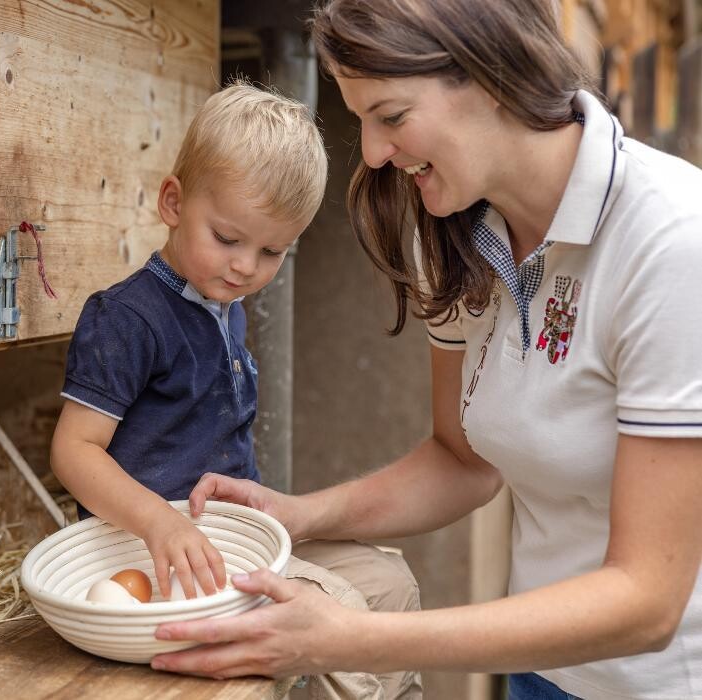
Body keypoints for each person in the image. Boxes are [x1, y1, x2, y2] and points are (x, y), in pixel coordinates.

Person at [149, 2, 702, 699]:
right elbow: (461, 460)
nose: (374, 152)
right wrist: (296, 513)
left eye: (391, 116)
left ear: (490, 74)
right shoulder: (449, 228)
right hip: (539, 668)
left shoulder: (672, 243)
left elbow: (646, 601)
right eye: (361, 121)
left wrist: (353, 638)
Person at [51, 81, 423, 698]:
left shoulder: (225, 307)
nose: (246, 266)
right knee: (348, 612)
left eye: (273, 250)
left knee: (392, 581)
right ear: (173, 202)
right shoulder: (127, 318)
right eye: (227, 238)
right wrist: (159, 525)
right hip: (158, 554)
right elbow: (73, 450)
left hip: (229, 542)